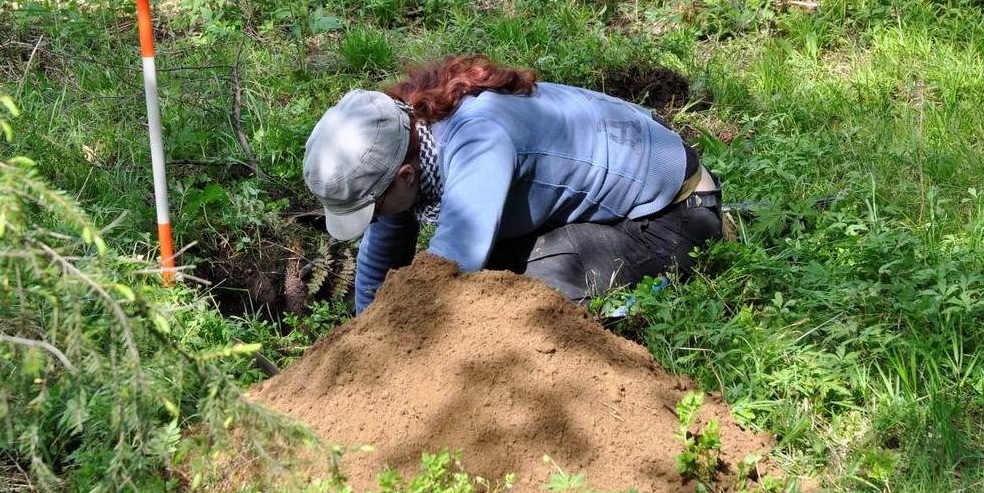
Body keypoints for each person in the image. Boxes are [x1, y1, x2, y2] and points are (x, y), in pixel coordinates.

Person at [302, 55, 722, 314]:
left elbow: (450, 263)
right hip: (624, 198)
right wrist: (366, 336)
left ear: (405, 177)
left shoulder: (478, 140)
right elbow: (385, 250)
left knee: (515, 294)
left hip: (672, 216)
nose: (375, 218)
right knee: (488, 279)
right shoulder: (409, 139)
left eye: (373, 208)